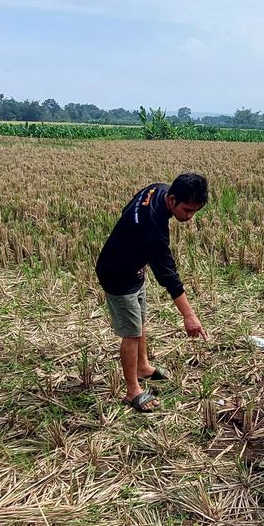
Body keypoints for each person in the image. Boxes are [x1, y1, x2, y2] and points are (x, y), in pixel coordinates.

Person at [96, 173, 210, 412]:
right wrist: (189, 316)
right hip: (117, 273)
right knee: (132, 332)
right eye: (187, 210)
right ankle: (132, 391)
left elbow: (127, 210)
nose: (189, 217)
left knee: (140, 321)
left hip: (133, 268)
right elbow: (169, 277)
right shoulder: (153, 227)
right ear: (172, 200)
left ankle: (143, 366)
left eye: (194, 212)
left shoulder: (156, 189)